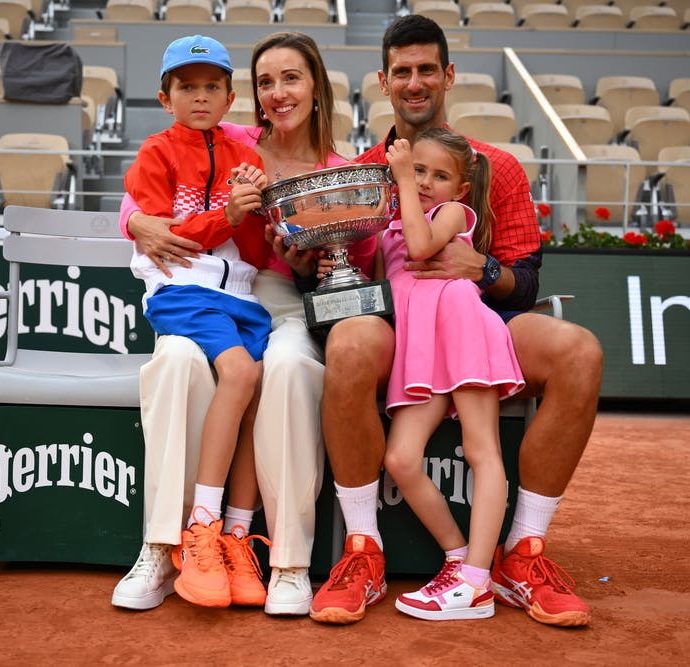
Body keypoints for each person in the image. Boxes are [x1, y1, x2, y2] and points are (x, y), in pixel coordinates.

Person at [308, 14, 603, 627]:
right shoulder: (359, 175)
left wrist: (481, 267)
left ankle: (521, 555)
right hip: (399, 328)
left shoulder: (495, 167)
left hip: (479, 324)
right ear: (382, 82)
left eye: (426, 70)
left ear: (448, 76)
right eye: (401, 72)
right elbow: (350, 277)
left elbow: (525, 284)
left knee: (580, 352)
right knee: (350, 346)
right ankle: (363, 551)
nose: (414, 83)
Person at [111, 32, 366, 616]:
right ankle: (162, 545)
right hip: (202, 290)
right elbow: (153, 197)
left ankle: (286, 562)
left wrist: (308, 260)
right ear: (246, 97)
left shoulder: (341, 169)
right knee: (173, 363)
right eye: (267, 82)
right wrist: (138, 225)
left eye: (292, 78)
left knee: (290, 367)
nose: (278, 93)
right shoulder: (232, 138)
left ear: (317, 88)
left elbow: (354, 260)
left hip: (280, 300)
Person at [116, 33, 273, 610]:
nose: (200, 97)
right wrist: (223, 216)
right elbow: (168, 239)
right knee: (238, 374)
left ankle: (235, 533)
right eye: (187, 87)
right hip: (182, 293)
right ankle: (201, 525)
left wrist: (253, 212)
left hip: (243, 298)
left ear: (230, 97)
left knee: (257, 389)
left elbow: (255, 251)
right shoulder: (156, 153)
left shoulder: (247, 158)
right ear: (165, 97)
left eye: (212, 87)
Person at [371, 129, 526, 621]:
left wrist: (399, 178)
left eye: (439, 176)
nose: (425, 182)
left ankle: (478, 582)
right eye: (418, 170)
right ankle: (459, 560)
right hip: (422, 352)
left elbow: (420, 247)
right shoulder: (388, 228)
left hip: (462, 330)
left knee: (483, 450)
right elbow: (381, 287)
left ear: (459, 189)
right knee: (399, 458)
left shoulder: (451, 215)